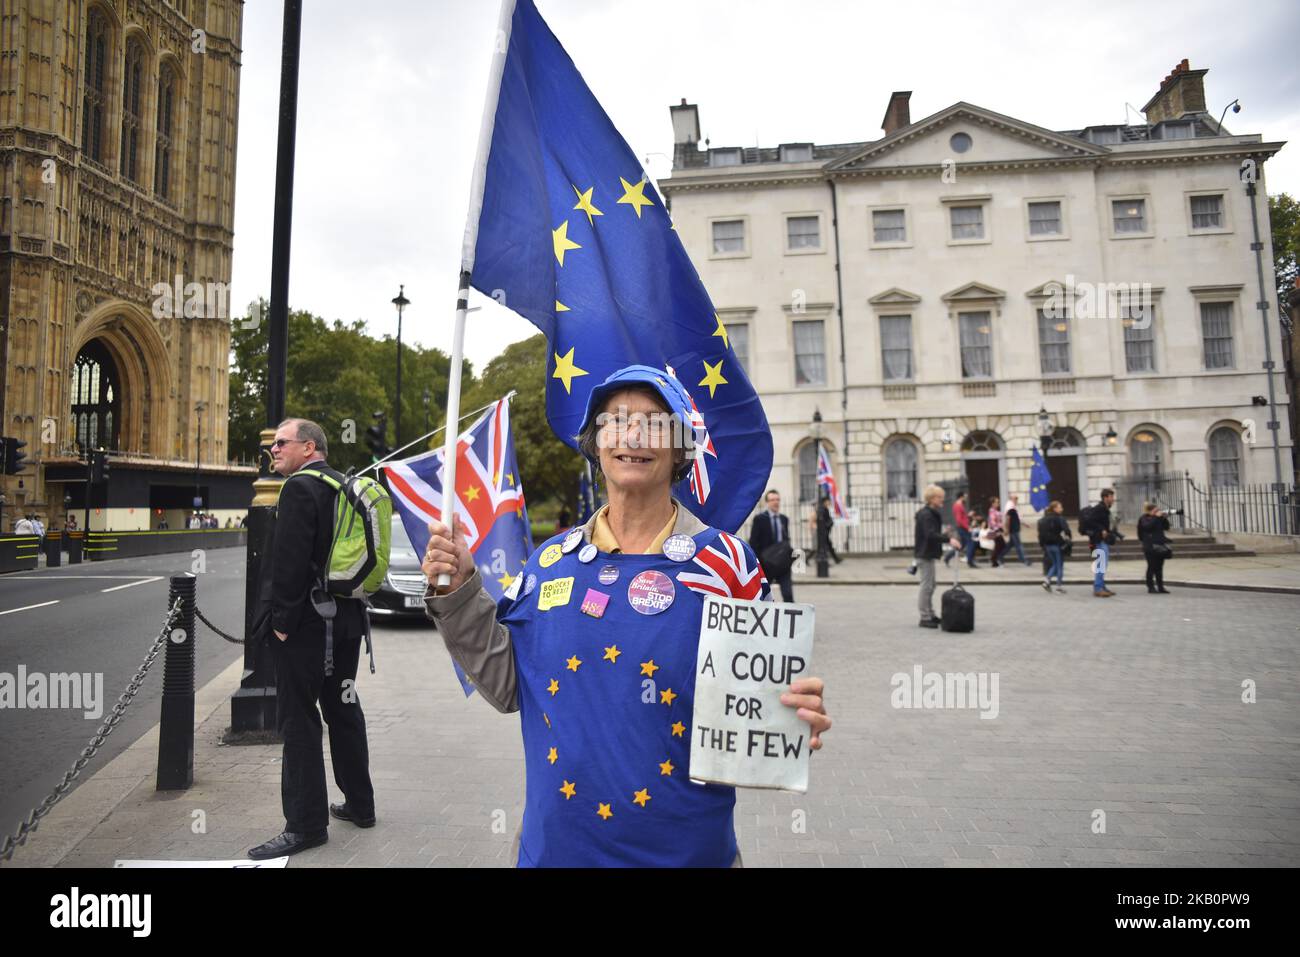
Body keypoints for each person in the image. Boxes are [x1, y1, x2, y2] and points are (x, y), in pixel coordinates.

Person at [421, 366, 831, 867]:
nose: (633, 435)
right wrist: (462, 590)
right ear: (595, 444)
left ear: (682, 449)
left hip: (687, 853)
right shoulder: (550, 562)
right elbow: (508, 685)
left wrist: (789, 717)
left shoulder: (727, 565)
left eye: (655, 422)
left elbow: (761, 709)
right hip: (557, 852)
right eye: (615, 421)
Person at [247, 417, 376, 861]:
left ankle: (305, 825)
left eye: (282, 443)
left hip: (305, 628)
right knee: (343, 707)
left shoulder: (300, 488)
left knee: (299, 720)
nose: (274, 450)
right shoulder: (343, 484)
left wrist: (280, 622)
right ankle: (361, 804)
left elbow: (289, 561)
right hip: (346, 621)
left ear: (309, 446)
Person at [914, 485, 961, 628]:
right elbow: (929, 535)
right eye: (939, 497)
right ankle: (925, 617)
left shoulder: (930, 513)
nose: (942, 500)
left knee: (931, 585)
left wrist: (945, 534)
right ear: (932, 498)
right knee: (927, 586)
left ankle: (930, 614)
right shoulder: (926, 514)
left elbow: (931, 532)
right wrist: (949, 539)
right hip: (925, 553)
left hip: (928, 553)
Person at [749, 488, 795, 602]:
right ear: (767, 502)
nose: (776, 502)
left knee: (788, 594)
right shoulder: (759, 519)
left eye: (778, 499)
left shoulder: (784, 519)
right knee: (762, 596)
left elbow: (785, 539)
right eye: (772, 500)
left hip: (783, 564)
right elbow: (754, 542)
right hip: (766, 565)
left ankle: (790, 618)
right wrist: (759, 562)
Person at [1084, 488, 1119, 598]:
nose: (1113, 499)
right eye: (1111, 497)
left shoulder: (1105, 508)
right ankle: (1098, 588)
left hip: (1102, 540)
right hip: (1098, 540)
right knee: (1101, 564)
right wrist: (1102, 529)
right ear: (1105, 497)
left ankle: (1102, 586)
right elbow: (1089, 521)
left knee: (1103, 564)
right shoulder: (1099, 508)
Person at [1137, 502, 1172, 594]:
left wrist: (1164, 518)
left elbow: (1166, 527)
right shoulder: (1144, 518)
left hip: (1160, 545)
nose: (1158, 512)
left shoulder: (1158, 518)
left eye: (1158, 510)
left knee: (1159, 567)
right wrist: (1156, 517)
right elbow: (1147, 527)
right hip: (1149, 546)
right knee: (1151, 566)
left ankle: (1160, 586)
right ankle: (1151, 587)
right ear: (1150, 510)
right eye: (1156, 510)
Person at [1037, 500, 1070, 593]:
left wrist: (1042, 545)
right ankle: (1059, 587)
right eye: (1060, 507)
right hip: (1057, 544)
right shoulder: (1059, 518)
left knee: (1054, 564)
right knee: (1059, 565)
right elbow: (1066, 530)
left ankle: (1046, 581)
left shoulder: (1043, 519)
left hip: (1047, 545)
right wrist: (1068, 539)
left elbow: (1040, 534)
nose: (1062, 509)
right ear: (1055, 508)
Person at [815, 492, 842, 565]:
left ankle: (836, 559)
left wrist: (831, 521)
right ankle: (823, 561)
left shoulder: (824, 509)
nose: (829, 502)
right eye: (828, 501)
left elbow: (826, 519)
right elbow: (822, 521)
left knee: (828, 546)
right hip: (823, 532)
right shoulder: (822, 509)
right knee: (822, 548)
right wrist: (830, 523)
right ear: (825, 502)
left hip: (825, 532)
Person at [952, 492, 978, 568]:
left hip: (963, 527)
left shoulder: (960, 505)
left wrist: (968, 516)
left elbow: (962, 518)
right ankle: (970, 561)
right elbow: (959, 519)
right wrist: (968, 527)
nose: (966, 498)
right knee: (971, 543)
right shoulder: (958, 506)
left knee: (961, 545)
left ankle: (947, 557)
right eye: (965, 496)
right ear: (961, 497)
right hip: (962, 528)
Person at [1004, 494, 1030, 565]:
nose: (1016, 500)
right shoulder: (1010, 508)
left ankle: (1000, 556)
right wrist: (1007, 529)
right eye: (1015, 499)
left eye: (1017, 499)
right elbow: (1007, 519)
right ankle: (1024, 560)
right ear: (1011, 499)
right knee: (1019, 545)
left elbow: (1018, 518)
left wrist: (1025, 524)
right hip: (1013, 529)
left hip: (1015, 528)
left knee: (1010, 545)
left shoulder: (1013, 508)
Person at [986, 497, 1007, 567]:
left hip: (997, 530)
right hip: (995, 531)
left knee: (999, 545)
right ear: (993, 503)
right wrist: (998, 529)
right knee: (1001, 545)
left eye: (998, 502)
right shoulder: (992, 511)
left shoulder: (995, 511)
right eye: (997, 502)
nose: (998, 504)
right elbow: (992, 522)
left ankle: (995, 560)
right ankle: (994, 560)